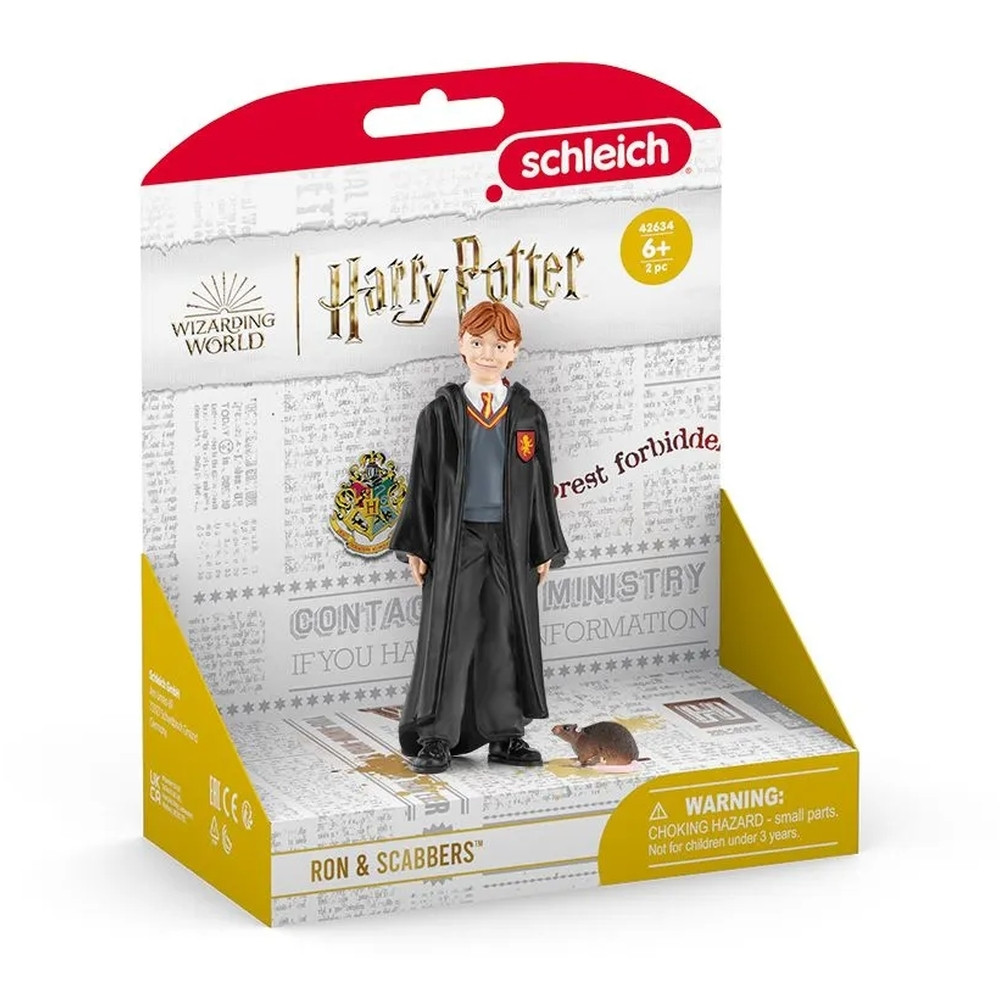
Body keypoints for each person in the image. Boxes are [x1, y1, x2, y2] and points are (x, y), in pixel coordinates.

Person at [389, 300, 568, 773]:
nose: (488, 353)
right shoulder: (441, 414)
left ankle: (505, 735)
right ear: (462, 345)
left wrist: (543, 544)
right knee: (453, 631)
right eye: (478, 342)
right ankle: (436, 736)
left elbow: (541, 484)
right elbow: (423, 481)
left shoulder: (527, 415)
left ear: (515, 351)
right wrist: (418, 544)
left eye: (500, 345)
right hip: (457, 538)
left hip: (511, 540)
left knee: (505, 634)